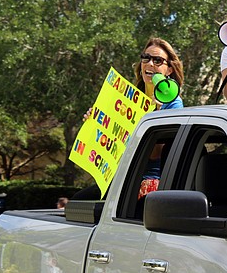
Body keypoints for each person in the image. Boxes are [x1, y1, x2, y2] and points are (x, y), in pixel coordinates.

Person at [73, 37, 184, 200]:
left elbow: (154, 154)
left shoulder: (173, 103)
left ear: (169, 70)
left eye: (158, 60)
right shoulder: (131, 97)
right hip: (122, 177)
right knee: (78, 202)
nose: (150, 64)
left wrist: (155, 112)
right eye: (146, 58)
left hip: (146, 181)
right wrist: (95, 119)